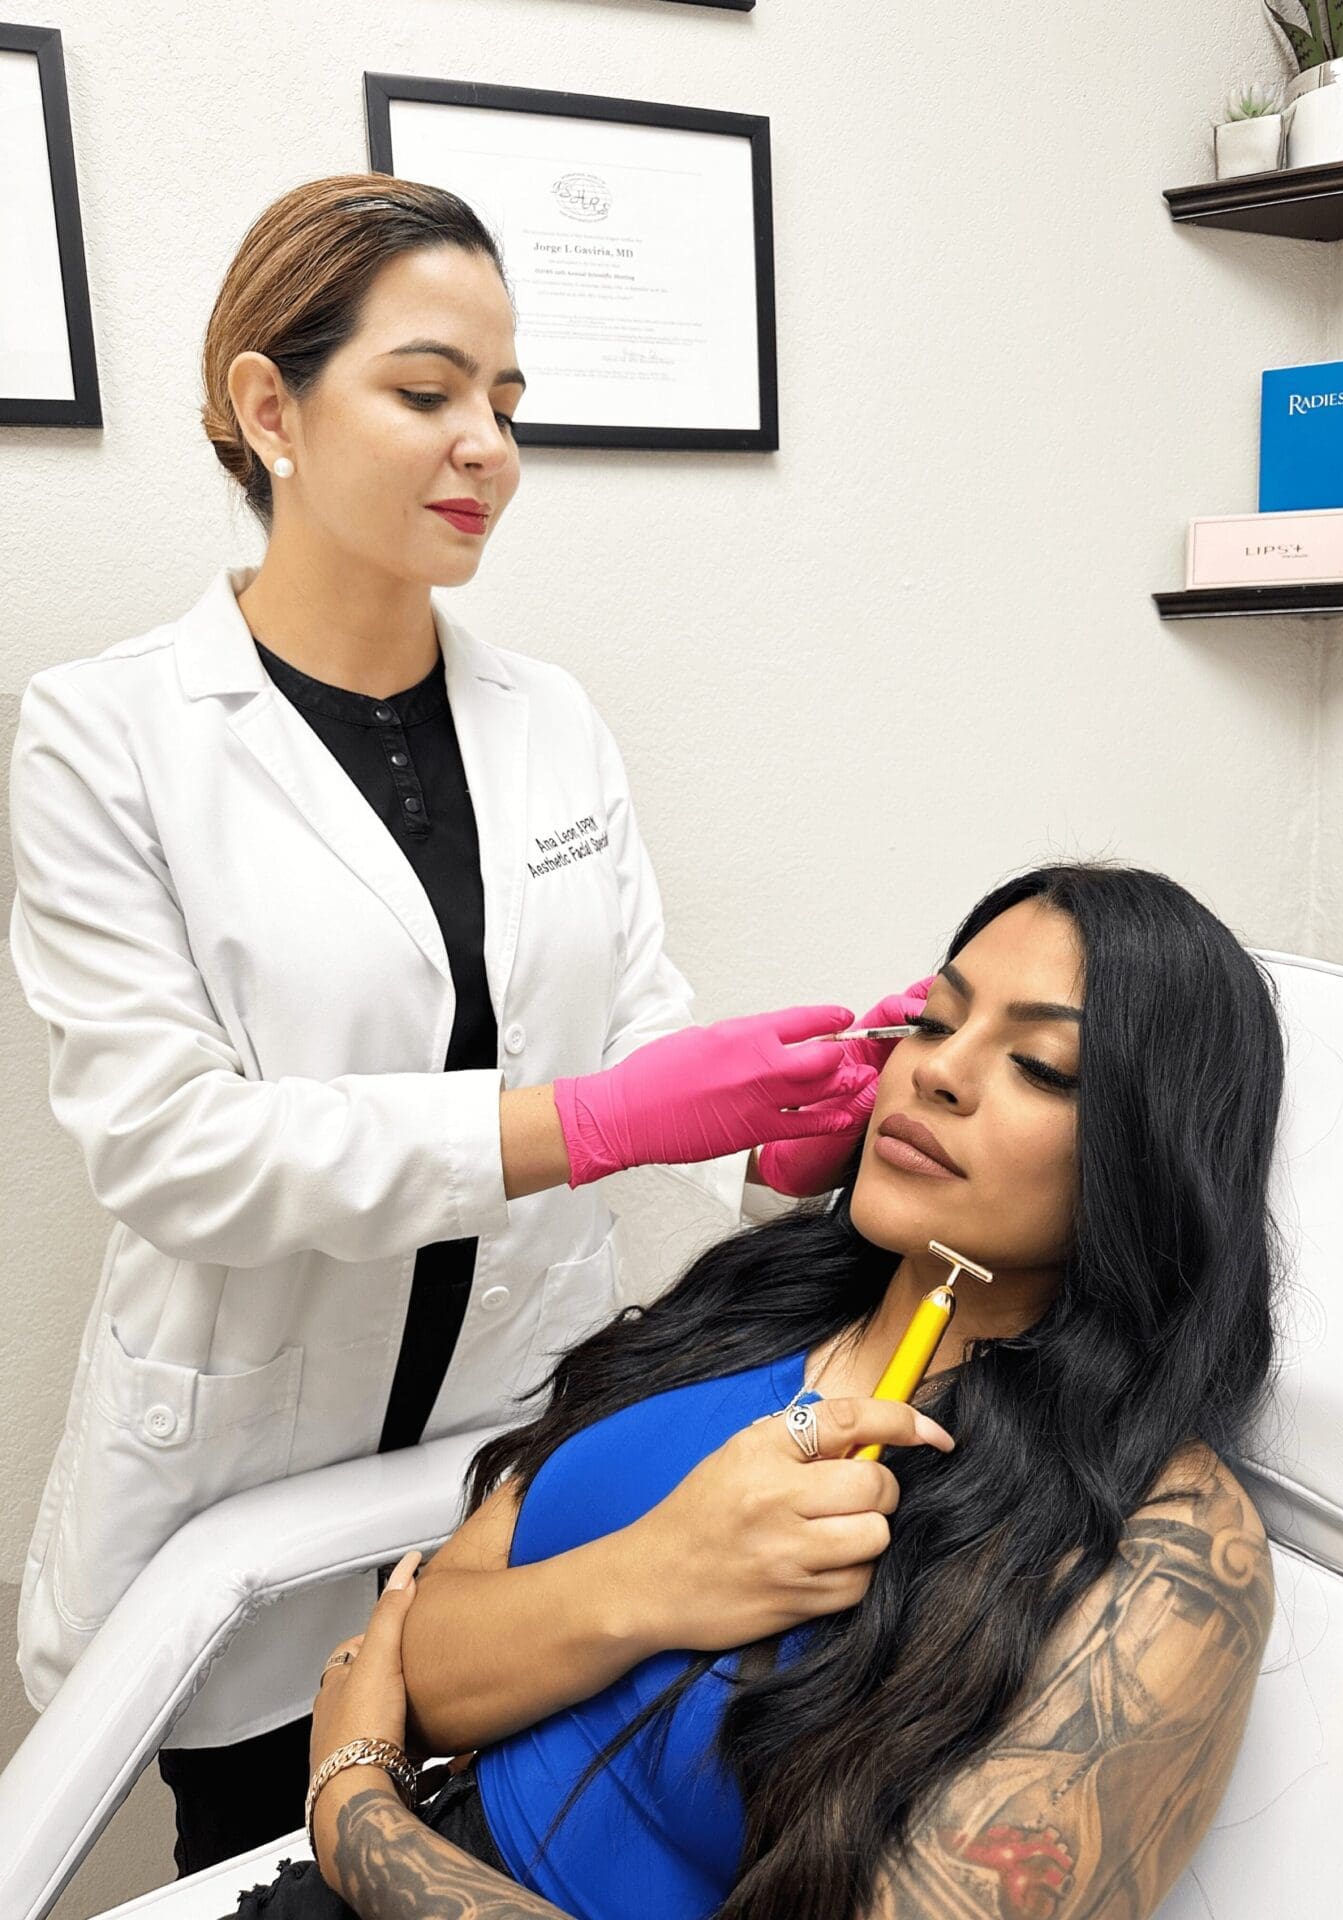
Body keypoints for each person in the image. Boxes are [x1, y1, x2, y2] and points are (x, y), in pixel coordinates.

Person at [5, 171, 914, 1875]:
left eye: (505, 403)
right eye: (426, 393)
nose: (485, 446)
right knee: (265, 1853)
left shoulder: (550, 721)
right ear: (268, 406)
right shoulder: (105, 733)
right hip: (237, 1462)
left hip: (506, 1448)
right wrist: (590, 1124)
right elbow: (173, 1149)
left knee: (484, 1834)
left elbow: (642, 1039)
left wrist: (784, 1134)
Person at [232, 862, 1281, 1920]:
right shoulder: (758, 1301)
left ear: (1153, 1158)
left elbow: (381, 1727)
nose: (939, 1072)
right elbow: (422, 1658)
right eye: (932, 1019)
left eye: (1045, 1067)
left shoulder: (1164, 1546)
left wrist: (359, 1815)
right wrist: (662, 1572)